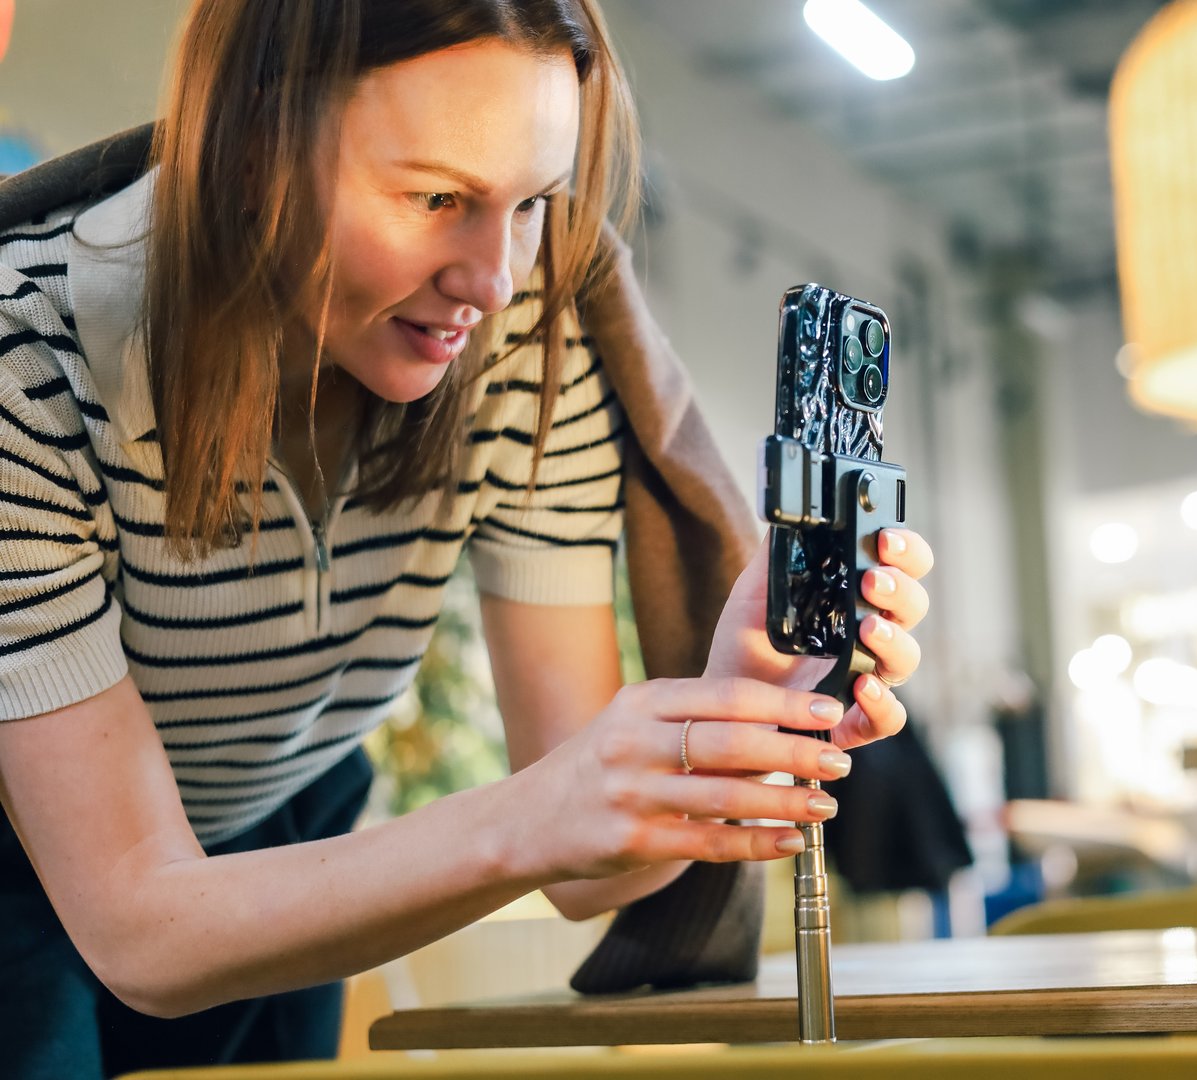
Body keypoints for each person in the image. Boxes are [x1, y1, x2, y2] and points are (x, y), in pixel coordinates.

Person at [0, 2, 934, 1076]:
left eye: (534, 202)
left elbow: (588, 878)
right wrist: (543, 809)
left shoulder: (530, 330)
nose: (491, 280)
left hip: (288, 818)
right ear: (253, 144)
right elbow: (140, 930)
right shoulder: (27, 353)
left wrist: (728, 708)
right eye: (436, 196)